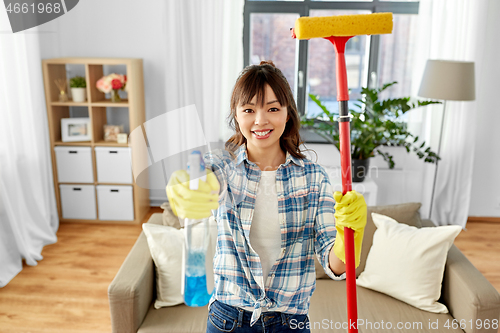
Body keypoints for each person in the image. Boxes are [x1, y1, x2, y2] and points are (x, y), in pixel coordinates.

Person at [167, 61, 367, 333]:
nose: (260, 120)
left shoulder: (313, 177)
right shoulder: (221, 166)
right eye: (249, 109)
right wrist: (187, 186)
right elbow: (203, 180)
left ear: (287, 114)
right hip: (228, 319)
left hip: (290, 323)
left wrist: (349, 235)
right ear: (236, 115)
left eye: (273, 108)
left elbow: (337, 265)